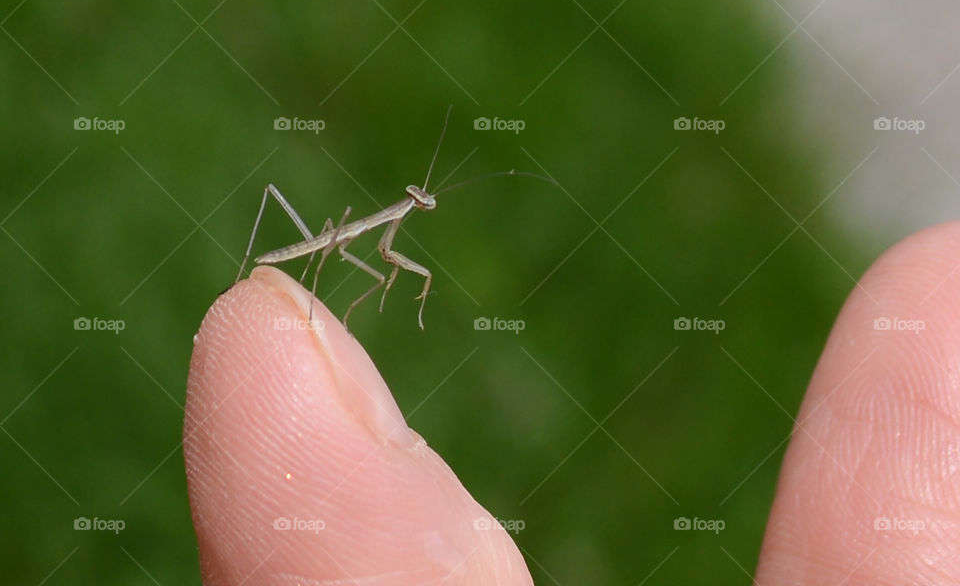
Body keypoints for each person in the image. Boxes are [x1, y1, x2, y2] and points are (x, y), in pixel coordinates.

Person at [184, 222, 960, 584]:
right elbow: (367, 250)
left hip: (328, 256)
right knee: (325, 275)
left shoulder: (399, 226)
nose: (420, 206)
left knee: (380, 274)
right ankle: (294, 298)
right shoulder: (369, 235)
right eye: (418, 201)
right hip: (306, 247)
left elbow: (386, 255)